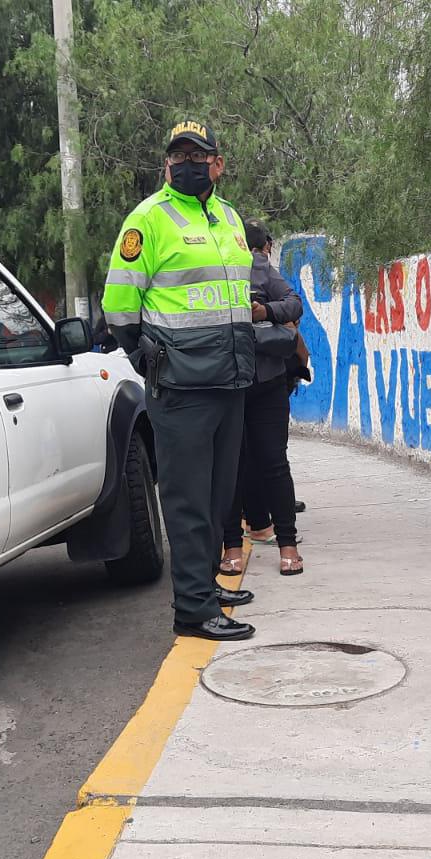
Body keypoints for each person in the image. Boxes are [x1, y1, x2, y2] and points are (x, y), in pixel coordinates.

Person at [102, 120, 257, 641]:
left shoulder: (228, 218)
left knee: (218, 496)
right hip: (182, 385)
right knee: (187, 500)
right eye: (179, 154)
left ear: (217, 161)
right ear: (168, 163)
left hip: (231, 379)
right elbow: (119, 305)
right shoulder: (148, 220)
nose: (187, 161)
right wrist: (145, 355)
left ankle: (207, 587)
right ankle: (192, 608)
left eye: (198, 153)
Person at [220, 218, 305, 576]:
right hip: (223, 382)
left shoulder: (259, 268)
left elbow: (293, 303)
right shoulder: (206, 272)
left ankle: (288, 545)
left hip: (266, 379)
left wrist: (264, 310)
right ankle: (231, 547)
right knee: (230, 467)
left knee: (273, 462)